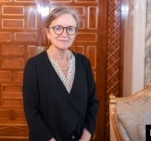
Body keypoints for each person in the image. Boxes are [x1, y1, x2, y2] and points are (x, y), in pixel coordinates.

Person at [23, 6, 99, 141]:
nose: (64, 34)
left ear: (75, 33)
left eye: (70, 29)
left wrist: (85, 137)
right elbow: (31, 111)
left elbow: (93, 103)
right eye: (58, 28)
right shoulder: (34, 66)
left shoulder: (84, 63)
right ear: (48, 32)